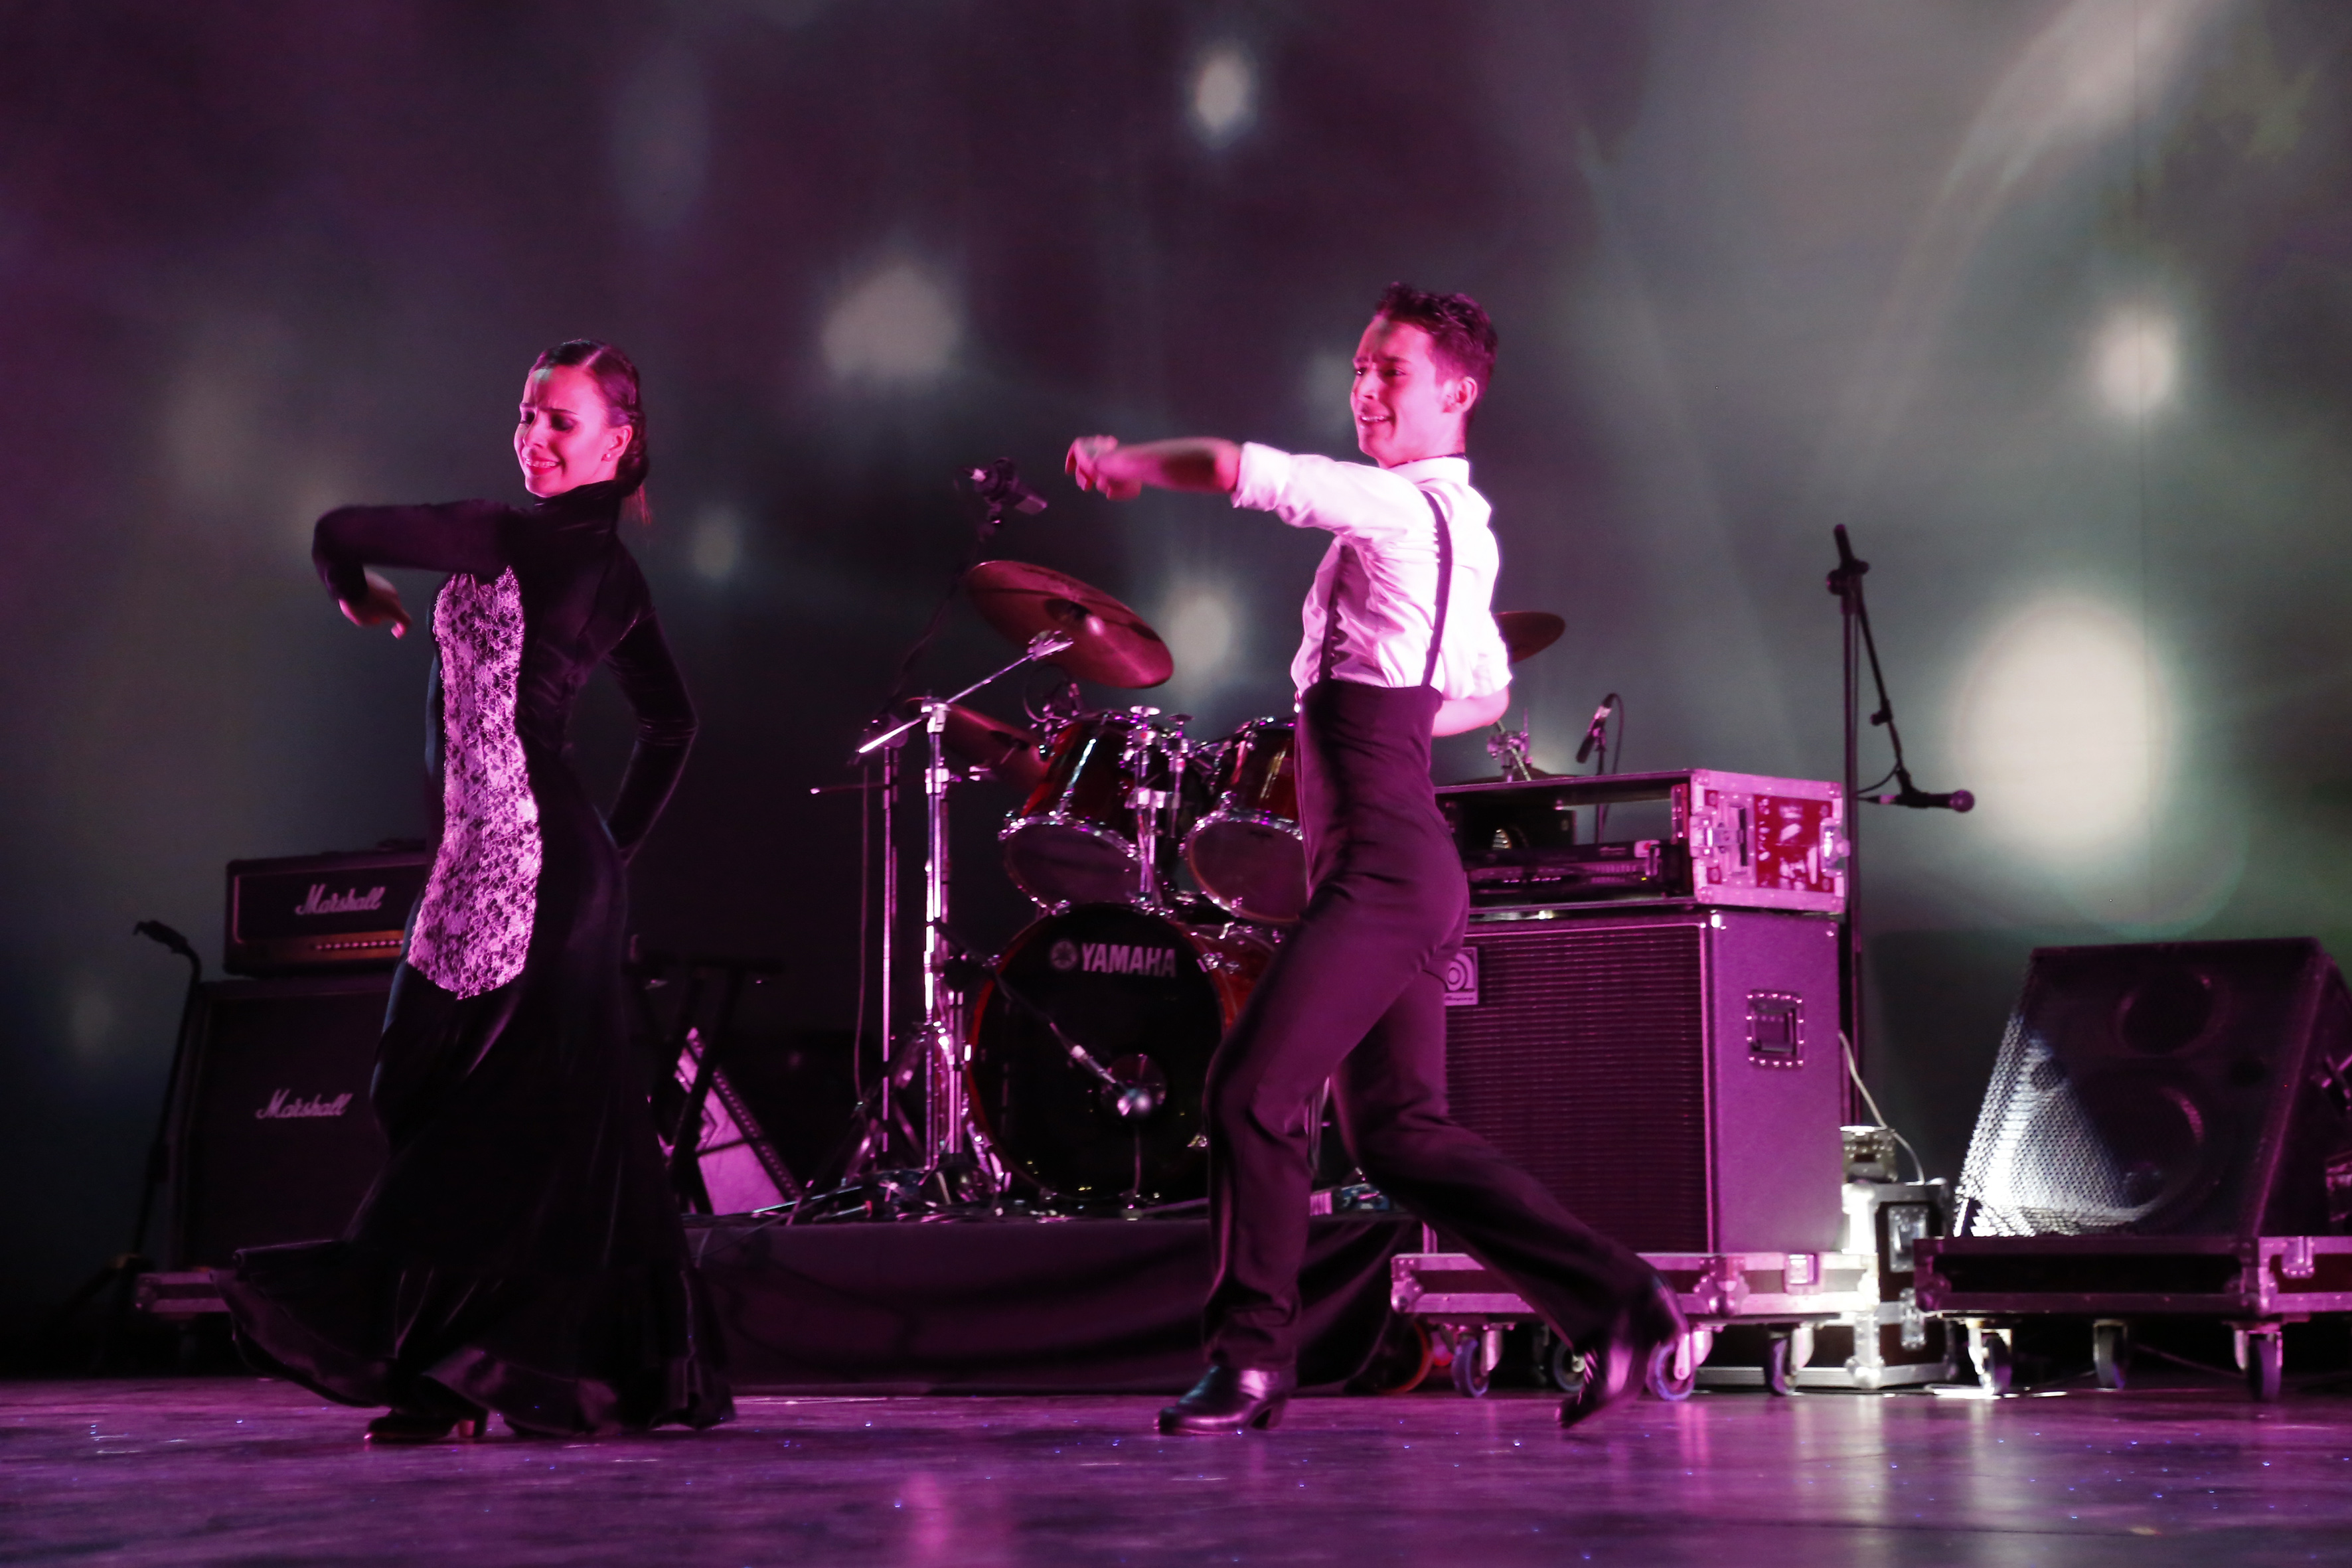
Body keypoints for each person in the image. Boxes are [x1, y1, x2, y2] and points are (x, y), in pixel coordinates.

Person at [1066, 285, 1685, 1434]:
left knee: (1252, 1091)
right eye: (1359, 367)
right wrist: (1382, 713)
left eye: (1389, 370)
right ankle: (1622, 1302)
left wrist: (1130, 462)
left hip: (1387, 867)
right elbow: (1485, 689)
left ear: (1458, 391)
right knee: (1397, 1132)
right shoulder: (1467, 529)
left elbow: (1252, 471)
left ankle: (1252, 1360)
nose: (1364, 389)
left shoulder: (1395, 507)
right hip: (1402, 853)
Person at [220, 341, 734, 1443]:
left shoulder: (510, 537)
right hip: (494, 867)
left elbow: (338, 530)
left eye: (560, 420)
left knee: (488, 1131)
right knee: (448, 1103)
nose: (533, 437)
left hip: (535, 878)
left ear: (618, 441)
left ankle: (451, 1381)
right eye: (526, 414)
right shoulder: (604, 567)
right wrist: (608, 858)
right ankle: (544, 1367)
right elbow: (672, 723)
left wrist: (355, 594)